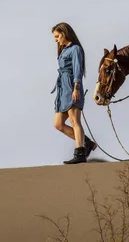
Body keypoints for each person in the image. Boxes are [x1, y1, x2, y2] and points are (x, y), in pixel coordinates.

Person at [51, 22, 96, 164]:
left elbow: (77, 69)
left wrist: (76, 87)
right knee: (58, 124)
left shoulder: (75, 49)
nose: (55, 39)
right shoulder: (63, 50)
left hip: (71, 86)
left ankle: (80, 153)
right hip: (63, 89)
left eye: (57, 36)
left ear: (64, 34)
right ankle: (86, 143)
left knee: (74, 120)